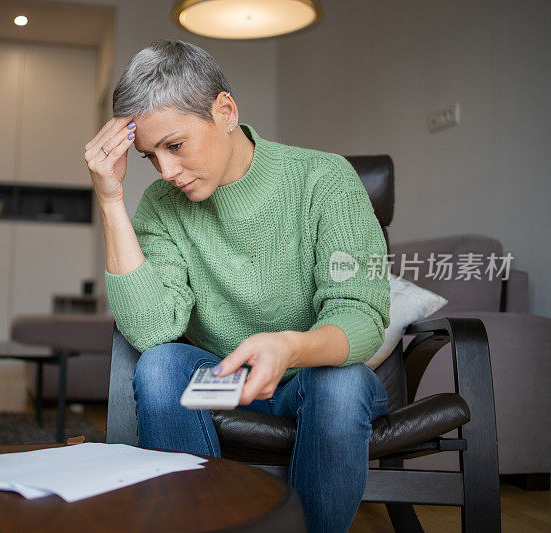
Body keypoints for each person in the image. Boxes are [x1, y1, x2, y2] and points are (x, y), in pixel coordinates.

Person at [84, 39, 390, 533]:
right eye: (150, 156)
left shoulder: (324, 179)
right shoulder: (162, 206)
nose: (166, 172)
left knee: (341, 380)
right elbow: (152, 329)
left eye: (176, 146)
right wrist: (111, 200)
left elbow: (362, 315)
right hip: (223, 381)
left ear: (225, 110)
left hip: (309, 378)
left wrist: (290, 348)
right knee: (161, 366)